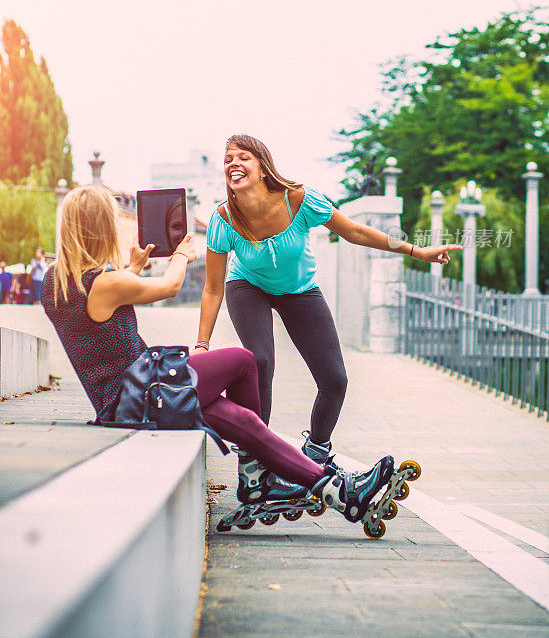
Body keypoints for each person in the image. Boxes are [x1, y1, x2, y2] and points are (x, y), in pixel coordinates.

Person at [41, 185, 400, 528]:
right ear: (100, 226)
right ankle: (258, 475)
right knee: (244, 362)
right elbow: (168, 286)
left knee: (239, 421)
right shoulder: (103, 282)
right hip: (143, 390)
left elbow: (98, 313)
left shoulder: (55, 282)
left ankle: (336, 493)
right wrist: (181, 254)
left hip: (126, 398)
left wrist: (132, 269)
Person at [194, 134, 463, 466]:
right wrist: (202, 344)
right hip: (247, 286)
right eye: (228, 159)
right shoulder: (223, 220)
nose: (233, 163)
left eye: (243, 157)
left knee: (335, 380)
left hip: (300, 289)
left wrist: (416, 251)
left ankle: (316, 454)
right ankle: (254, 459)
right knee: (260, 361)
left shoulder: (299, 200)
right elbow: (212, 288)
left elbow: (355, 232)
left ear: (263, 167)